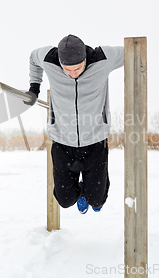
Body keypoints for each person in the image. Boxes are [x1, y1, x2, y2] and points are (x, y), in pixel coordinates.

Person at [24, 34, 124, 214]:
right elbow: (33, 58)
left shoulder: (103, 58)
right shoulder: (49, 59)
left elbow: (133, 52)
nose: (72, 74)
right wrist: (34, 88)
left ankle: (90, 192)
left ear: (85, 59)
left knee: (97, 200)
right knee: (64, 199)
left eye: (77, 68)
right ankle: (81, 190)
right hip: (62, 142)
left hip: (95, 141)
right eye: (67, 69)